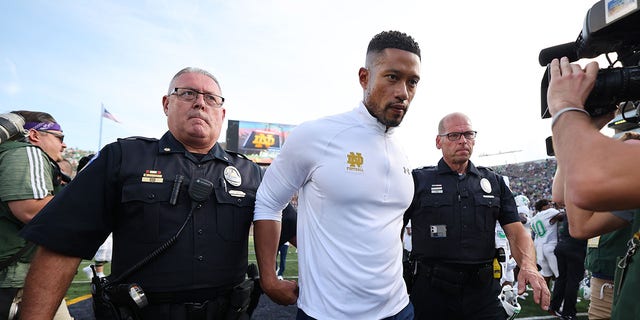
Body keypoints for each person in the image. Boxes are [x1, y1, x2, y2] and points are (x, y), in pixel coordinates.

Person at [18, 67, 294, 319]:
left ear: (221, 114)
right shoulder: (122, 158)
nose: (200, 102)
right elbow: (62, 245)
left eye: (211, 98)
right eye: (187, 93)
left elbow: (300, 231)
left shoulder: (251, 173)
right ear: (166, 104)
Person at [253, 30, 421, 319]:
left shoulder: (403, 151)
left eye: (412, 82)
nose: (403, 92)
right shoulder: (316, 136)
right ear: (364, 77)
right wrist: (268, 278)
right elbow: (268, 202)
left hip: (398, 309)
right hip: (328, 313)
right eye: (392, 77)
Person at [405, 112, 550, 320]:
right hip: (432, 292)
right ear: (439, 142)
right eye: (454, 135)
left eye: (468, 134)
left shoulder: (494, 182)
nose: (463, 140)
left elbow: (517, 231)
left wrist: (528, 265)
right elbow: (393, 230)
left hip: (482, 292)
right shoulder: (418, 181)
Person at [547, 57, 640, 320]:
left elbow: (580, 200)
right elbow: (562, 195)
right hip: (615, 282)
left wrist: (567, 107)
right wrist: (587, 126)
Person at [0, 110, 72, 319]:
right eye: (60, 137)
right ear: (34, 135)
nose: (64, 145)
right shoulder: (27, 152)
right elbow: (33, 210)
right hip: (17, 280)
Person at [549, 213, 587, 320]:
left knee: (561, 278)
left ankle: (554, 305)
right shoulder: (586, 210)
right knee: (572, 281)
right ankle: (568, 312)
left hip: (562, 245)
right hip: (576, 248)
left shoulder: (571, 209)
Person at [530, 199, 561, 285]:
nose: (550, 205)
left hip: (539, 248)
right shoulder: (550, 212)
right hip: (550, 245)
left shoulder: (534, 218)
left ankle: (543, 296)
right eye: (548, 204)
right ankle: (560, 296)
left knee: (546, 275)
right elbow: (562, 216)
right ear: (543, 207)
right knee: (558, 274)